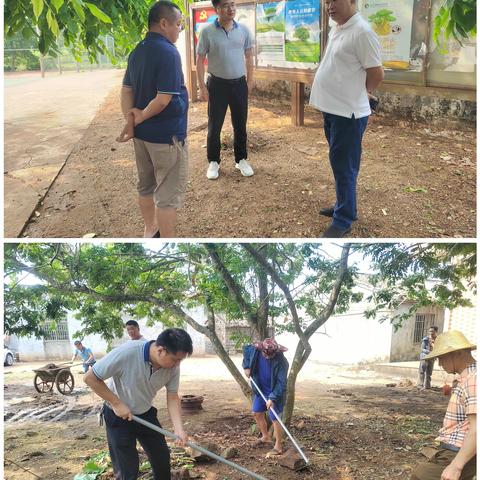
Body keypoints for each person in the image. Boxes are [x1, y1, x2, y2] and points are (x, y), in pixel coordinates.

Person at [309, 0, 384, 238]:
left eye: (335, 0)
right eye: (326, 1)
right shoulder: (339, 27)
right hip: (332, 110)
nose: (329, 6)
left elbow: (376, 73)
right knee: (340, 164)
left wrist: (362, 94)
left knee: (344, 166)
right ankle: (345, 206)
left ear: (352, 1)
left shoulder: (362, 32)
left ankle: (343, 220)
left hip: (348, 114)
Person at [118, 1, 189, 238]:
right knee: (167, 196)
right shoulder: (169, 52)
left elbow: (126, 90)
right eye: (178, 24)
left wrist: (132, 122)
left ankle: (150, 230)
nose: (180, 29)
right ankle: (166, 239)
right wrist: (140, 116)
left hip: (141, 137)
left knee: (146, 185)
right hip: (166, 137)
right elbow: (163, 100)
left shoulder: (137, 50)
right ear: (163, 23)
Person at [84, 328, 193, 480]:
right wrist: (116, 403)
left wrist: (179, 429)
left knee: (161, 458)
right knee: (127, 469)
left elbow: (172, 396)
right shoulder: (127, 353)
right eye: (175, 359)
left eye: (180, 360)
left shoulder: (173, 366)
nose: (177, 364)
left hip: (145, 414)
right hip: (118, 417)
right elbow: (90, 378)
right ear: (161, 350)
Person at [196, 0, 255, 180]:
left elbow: (249, 56)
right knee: (215, 126)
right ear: (217, 9)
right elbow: (200, 60)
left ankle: (241, 159)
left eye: (233, 4)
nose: (231, 9)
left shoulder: (243, 30)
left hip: (239, 84)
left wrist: (250, 80)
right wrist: (201, 87)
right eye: (225, 5)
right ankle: (213, 161)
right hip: (217, 85)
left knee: (240, 124)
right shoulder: (207, 31)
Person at [410, 330, 476, 480]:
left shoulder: (473, 380)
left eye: (441, 357)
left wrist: (456, 466)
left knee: (420, 475)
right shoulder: (466, 379)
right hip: (453, 448)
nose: (440, 363)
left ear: (457, 353)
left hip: (459, 450)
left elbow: (477, 427)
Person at [242, 338, 289, 455]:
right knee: (256, 413)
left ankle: (278, 446)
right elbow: (246, 350)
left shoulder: (282, 362)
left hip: (275, 392)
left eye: (271, 355)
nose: (268, 357)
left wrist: (272, 398)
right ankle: (265, 436)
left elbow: (281, 383)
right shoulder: (255, 350)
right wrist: (246, 366)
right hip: (260, 389)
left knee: (275, 417)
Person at [418, 326, 439, 390]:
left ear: (436, 332)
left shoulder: (438, 340)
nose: (431, 333)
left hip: (432, 358)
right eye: (430, 331)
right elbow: (422, 349)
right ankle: (420, 385)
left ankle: (427, 386)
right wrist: (430, 352)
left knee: (429, 373)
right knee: (422, 371)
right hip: (425, 357)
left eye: (432, 331)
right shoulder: (426, 339)